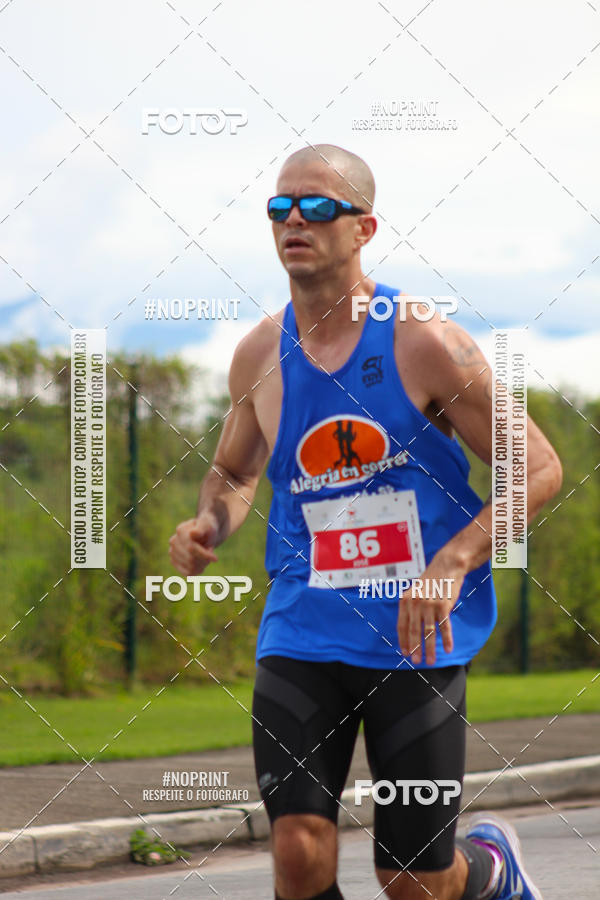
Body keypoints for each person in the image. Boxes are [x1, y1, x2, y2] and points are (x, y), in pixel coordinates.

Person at [169, 144, 561, 899]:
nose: (295, 220)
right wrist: (209, 525)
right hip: (303, 623)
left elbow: (538, 467)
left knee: (414, 879)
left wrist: (453, 560)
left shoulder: (425, 341)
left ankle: (489, 871)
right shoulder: (259, 354)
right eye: (280, 207)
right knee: (298, 848)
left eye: (317, 206)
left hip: (414, 633)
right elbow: (237, 471)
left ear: (364, 228)